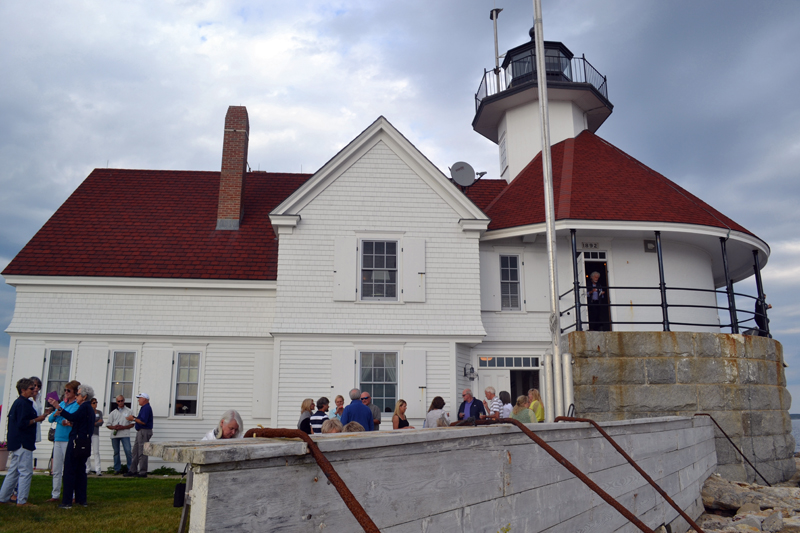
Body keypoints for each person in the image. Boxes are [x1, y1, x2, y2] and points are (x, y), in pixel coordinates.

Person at [0, 378, 49, 506]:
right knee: (26, 471)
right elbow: (22, 423)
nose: (34, 390)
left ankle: (3, 497)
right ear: (23, 390)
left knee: (14, 471)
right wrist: (37, 419)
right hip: (22, 441)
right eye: (31, 388)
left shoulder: (21, 403)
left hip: (16, 441)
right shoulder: (22, 404)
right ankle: (22, 501)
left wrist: (39, 417)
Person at [47, 384, 95, 509]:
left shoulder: (84, 407)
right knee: (80, 471)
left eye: (78, 394)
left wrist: (59, 408)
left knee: (69, 470)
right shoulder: (89, 408)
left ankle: (67, 501)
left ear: (84, 397)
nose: (77, 396)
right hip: (85, 442)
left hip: (76, 442)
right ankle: (81, 499)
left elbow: (73, 417)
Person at [47, 380, 80, 502]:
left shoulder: (76, 405)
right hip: (58, 438)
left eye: (68, 391)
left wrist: (59, 411)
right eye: (65, 390)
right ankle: (55, 494)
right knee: (56, 468)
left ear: (75, 392)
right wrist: (58, 414)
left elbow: (70, 417)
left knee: (69, 468)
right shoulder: (63, 403)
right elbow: (51, 418)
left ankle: (71, 495)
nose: (66, 392)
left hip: (68, 439)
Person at [124, 392, 153, 478]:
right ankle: (132, 470)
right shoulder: (144, 408)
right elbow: (141, 420)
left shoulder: (146, 408)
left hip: (144, 432)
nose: (138, 400)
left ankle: (143, 472)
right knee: (135, 452)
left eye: (140, 398)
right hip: (140, 431)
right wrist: (135, 418)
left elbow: (143, 421)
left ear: (144, 399)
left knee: (142, 452)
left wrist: (133, 418)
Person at [106, 395, 134, 474]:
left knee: (128, 451)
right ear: (116, 402)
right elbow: (108, 425)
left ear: (124, 400)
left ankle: (130, 468)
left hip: (125, 434)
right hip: (115, 434)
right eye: (119, 401)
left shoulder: (129, 411)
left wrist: (123, 427)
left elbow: (132, 424)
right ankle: (117, 469)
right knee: (116, 452)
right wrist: (114, 427)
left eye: (122, 400)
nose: (120, 402)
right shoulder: (113, 412)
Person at [87, 398, 104, 476]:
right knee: (87, 451)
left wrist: (94, 423)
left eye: (96, 402)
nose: (95, 404)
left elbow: (101, 422)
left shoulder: (99, 412)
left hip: (95, 433)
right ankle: (87, 468)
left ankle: (98, 469)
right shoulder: (87, 412)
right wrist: (95, 422)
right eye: (93, 403)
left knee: (96, 451)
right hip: (87, 433)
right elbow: (87, 422)